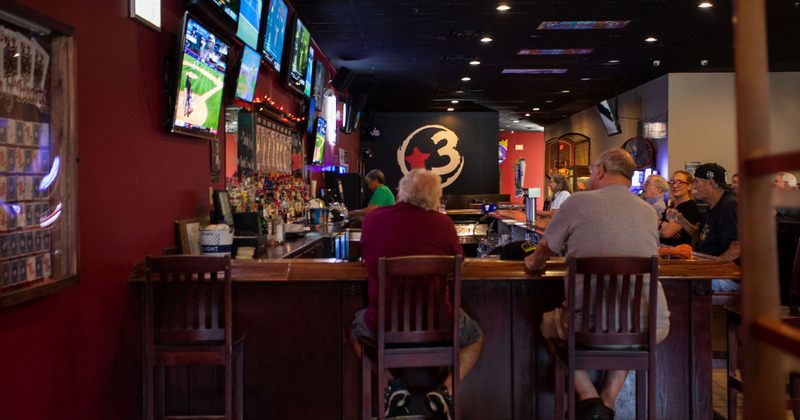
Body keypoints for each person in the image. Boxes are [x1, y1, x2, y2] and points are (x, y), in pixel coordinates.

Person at [524, 149, 670, 420]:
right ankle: (608, 400)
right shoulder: (648, 211)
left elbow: (544, 247)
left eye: (592, 170)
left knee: (547, 322)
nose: (590, 176)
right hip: (651, 325)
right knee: (625, 326)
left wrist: (534, 264)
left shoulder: (577, 202)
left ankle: (589, 396)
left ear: (601, 171)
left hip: (587, 326)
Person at [349, 169, 485, 420]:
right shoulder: (442, 223)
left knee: (355, 330)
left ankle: (391, 386)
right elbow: (461, 262)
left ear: (400, 192)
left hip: (382, 324)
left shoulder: (372, 220)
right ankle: (445, 391)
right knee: (475, 338)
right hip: (440, 324)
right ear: (435, 199)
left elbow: (364, 256)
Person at [667, 163, 739, 290]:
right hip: (710, 268)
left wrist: (709, 268)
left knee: (677, 286)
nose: (694, 187)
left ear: (710, 183)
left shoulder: (728, 206)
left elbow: (737, 247)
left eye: (697, 182)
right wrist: (682, 221)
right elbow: (701, 236)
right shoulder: (712, 204)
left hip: (726, 276)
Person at [659, 170, 700, 247]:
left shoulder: (689, 207)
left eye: (679, 182)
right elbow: (653, 222)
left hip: (677, 254)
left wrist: (660, 225)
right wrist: (663, 224)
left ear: (689, 186)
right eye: (672, 182)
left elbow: (666, 233)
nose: (674, 186)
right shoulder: (671, 207)